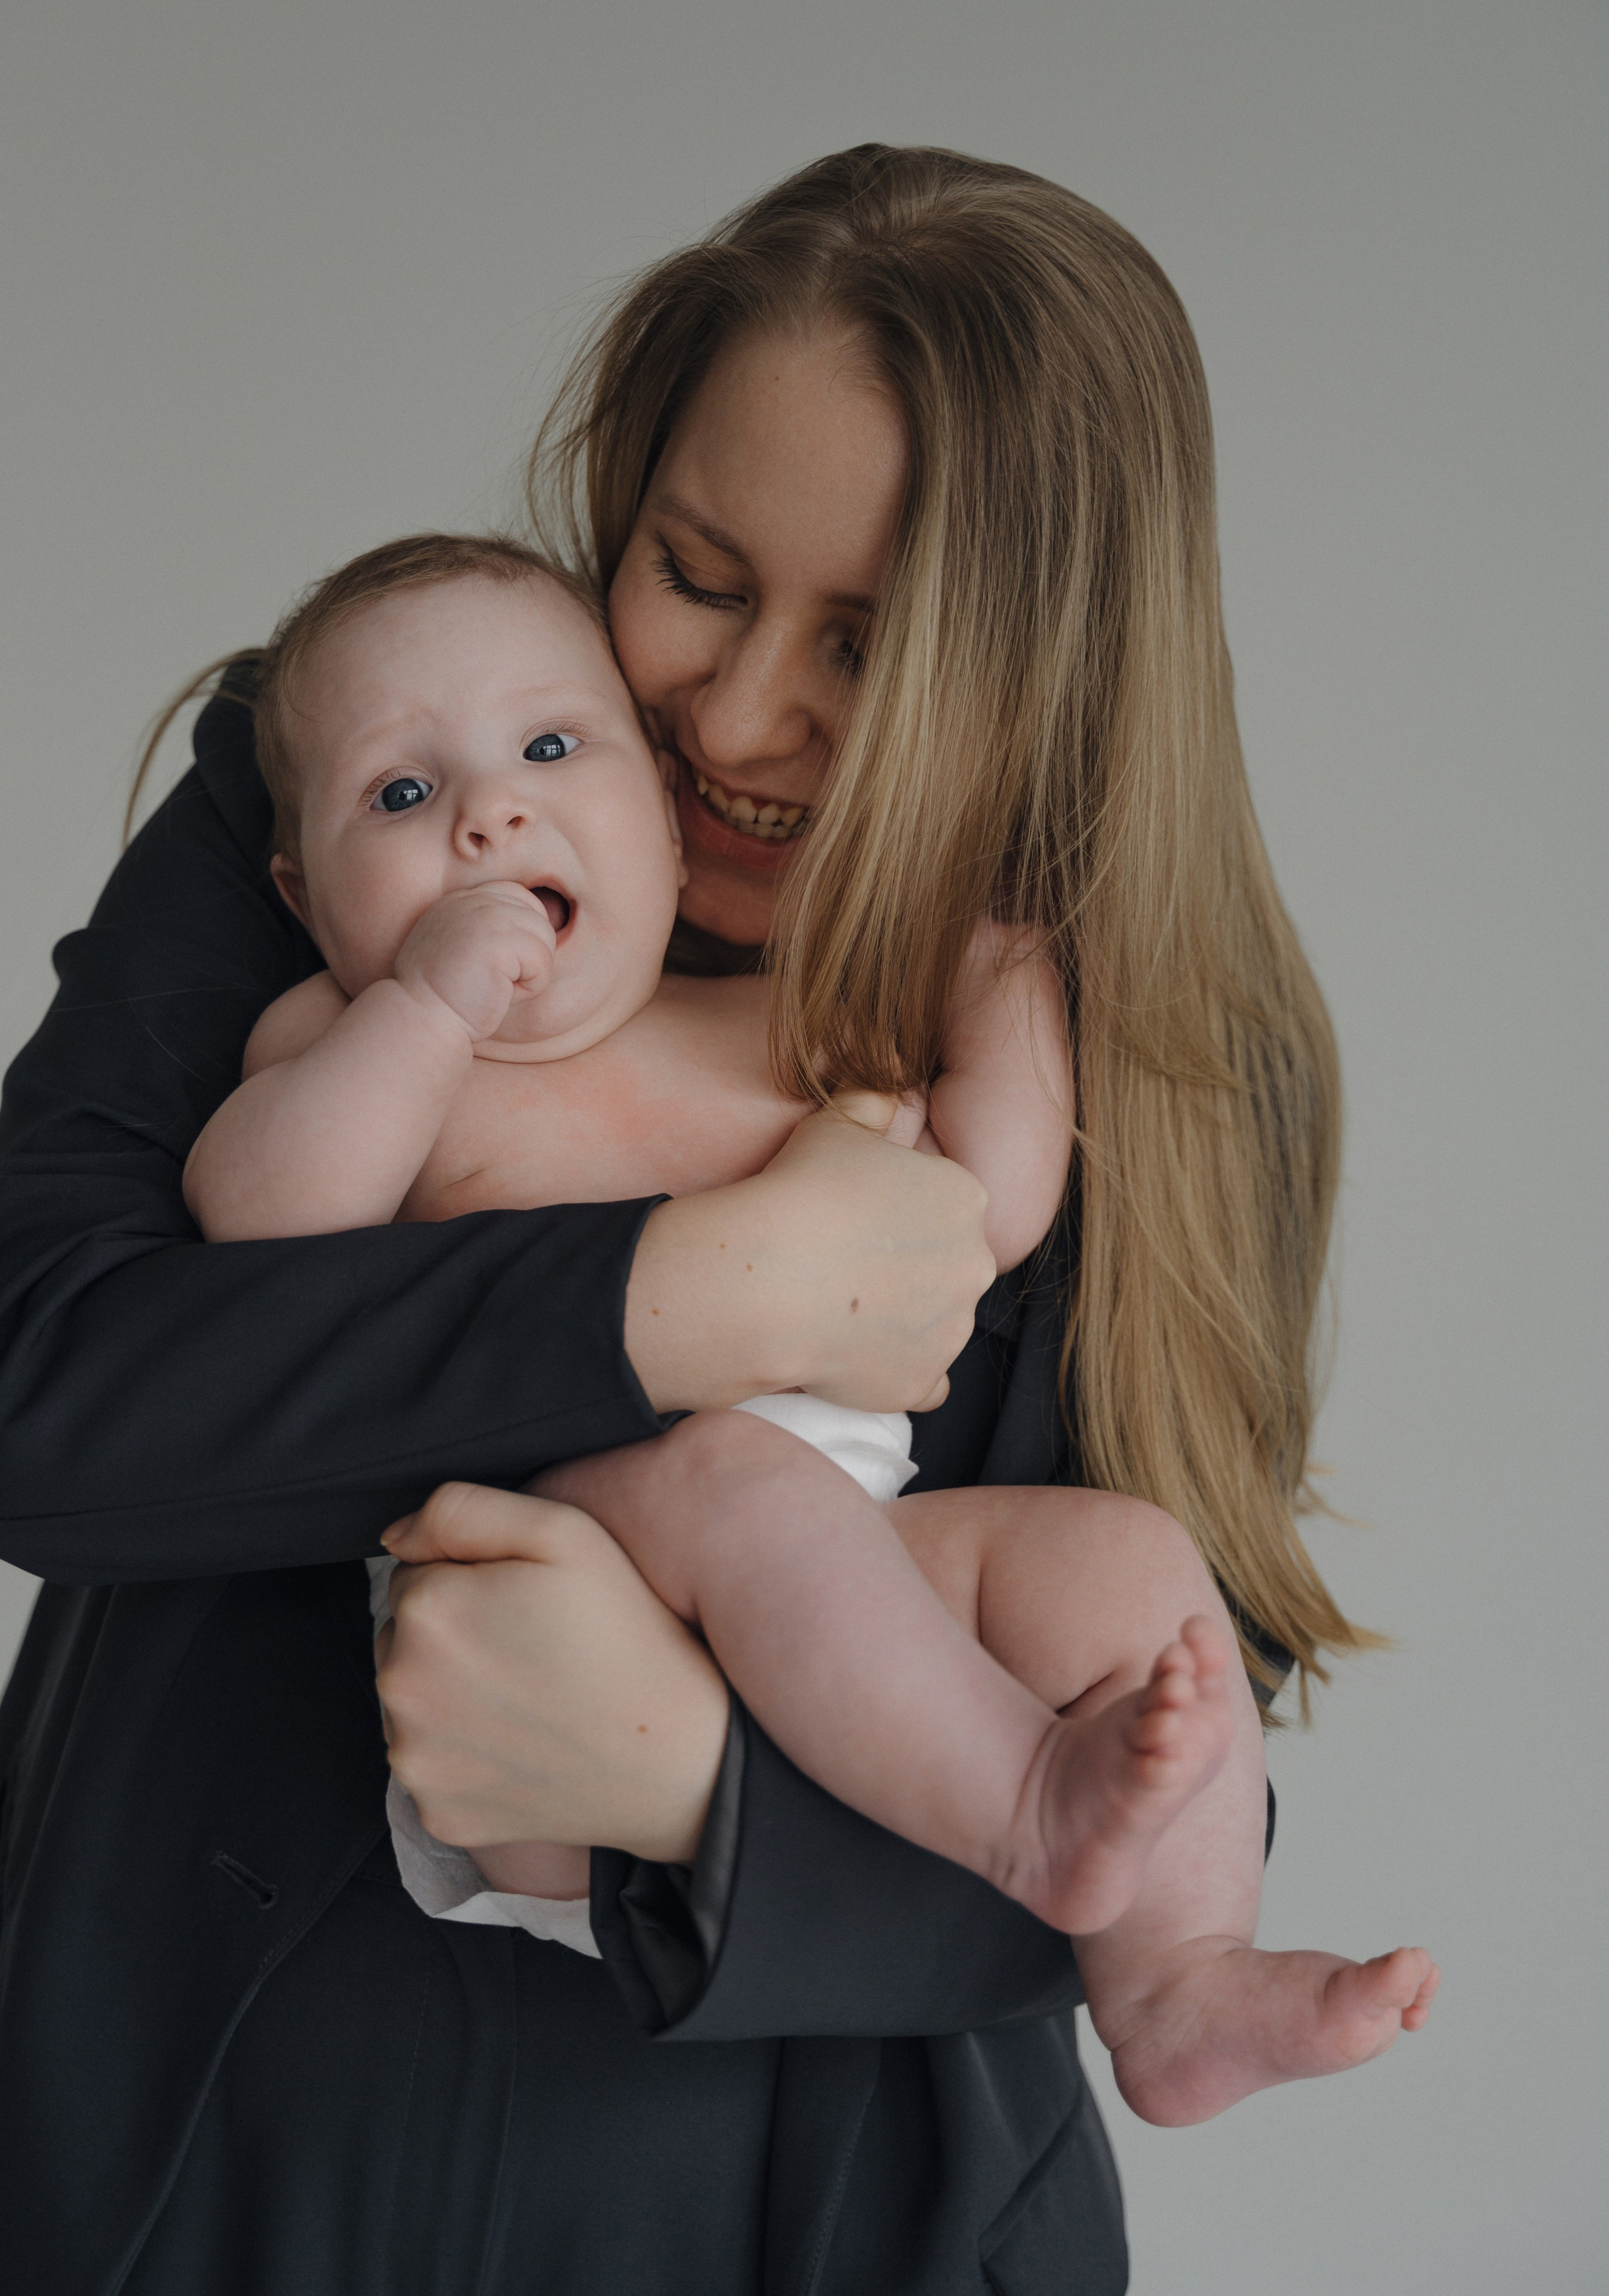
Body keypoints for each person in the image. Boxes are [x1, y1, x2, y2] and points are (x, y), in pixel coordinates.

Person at [0, 145, 1398, 2294]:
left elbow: (1161, 1722)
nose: (742, 718)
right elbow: (53, 1388)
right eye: (699, 571)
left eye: (868, 641)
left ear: (1043, 671)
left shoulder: (1159, 1041)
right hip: (238, 2140)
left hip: (826, 2199)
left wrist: (695, 1787)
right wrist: (670, 1293)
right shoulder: (374, 794)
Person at [182, 529, 1436, 2129]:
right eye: (399, 798)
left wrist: (1004, 979)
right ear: (302, 889)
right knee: (737, 1483)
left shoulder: (795, 1020)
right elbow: (259, 1226)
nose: (490, 814)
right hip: (535, 1641)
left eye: (549, 750)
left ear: (652, 794)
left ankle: (1178, 1980)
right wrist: (422, 1015)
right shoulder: (352, 1042)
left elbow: (983, 1212)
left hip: (831, 1605)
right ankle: (1025, 1807)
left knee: (1117, 1559)